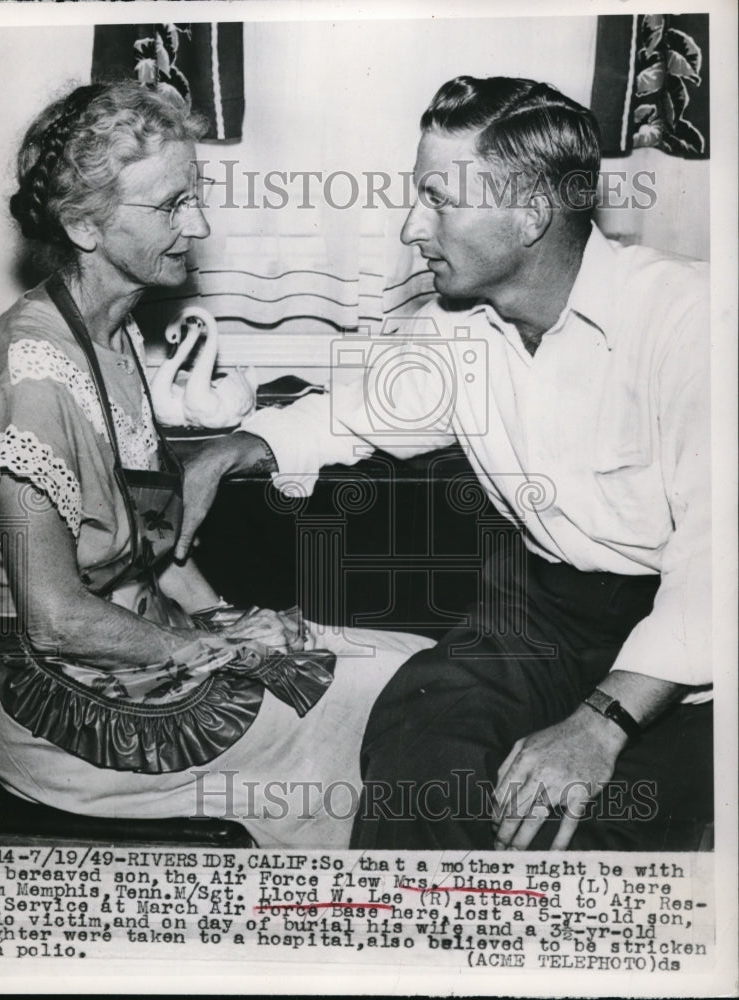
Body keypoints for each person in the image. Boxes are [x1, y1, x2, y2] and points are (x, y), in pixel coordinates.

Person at [177, 76, 713, 851]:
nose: (409, 228)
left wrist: (601, 723)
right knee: (419, 745)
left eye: (437, 199)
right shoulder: (456, 328)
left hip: (685, 657)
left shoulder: (691, 321)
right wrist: (250, 444)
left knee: (572, 830)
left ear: (529, 213)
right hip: (540, 612)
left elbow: (715, 568)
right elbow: (355, 411)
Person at [0, 80, 432, 849]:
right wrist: (215, 647)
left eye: (194, 196)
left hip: (144, 646)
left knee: (408, 661)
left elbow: (146, 539)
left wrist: (218, 615)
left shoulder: (113, 337)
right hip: (61, 711)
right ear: (84, 226)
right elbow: (56, 616)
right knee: (381, 696)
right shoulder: (29, 379)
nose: (196, 223)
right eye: (171, 206)